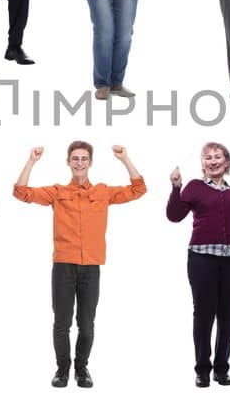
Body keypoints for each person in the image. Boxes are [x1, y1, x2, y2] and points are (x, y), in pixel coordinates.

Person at [14, 142, 146, 388]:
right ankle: (62, 370)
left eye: (84, 159)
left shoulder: (102, 192)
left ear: (90, 163)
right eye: (75, 158)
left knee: (86, 324)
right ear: (68, 162)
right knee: (62, 323)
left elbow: (139, 189)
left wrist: (125, 159)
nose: (79, 163)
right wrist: (31, 161)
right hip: (63, 265)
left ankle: (82, 369)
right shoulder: (57, 191)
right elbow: (21, 192)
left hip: (91, 267)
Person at [166, 143, 230, 387]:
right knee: (203, 314)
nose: (213, 161)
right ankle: (202, 369)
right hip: (202, 257)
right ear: (203, 164)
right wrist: (176, 187)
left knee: (228, 315)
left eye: (217, 157)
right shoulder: (195, 187)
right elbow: (174, 215)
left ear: (227, 162)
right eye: (208, 158)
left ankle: (221, 369)